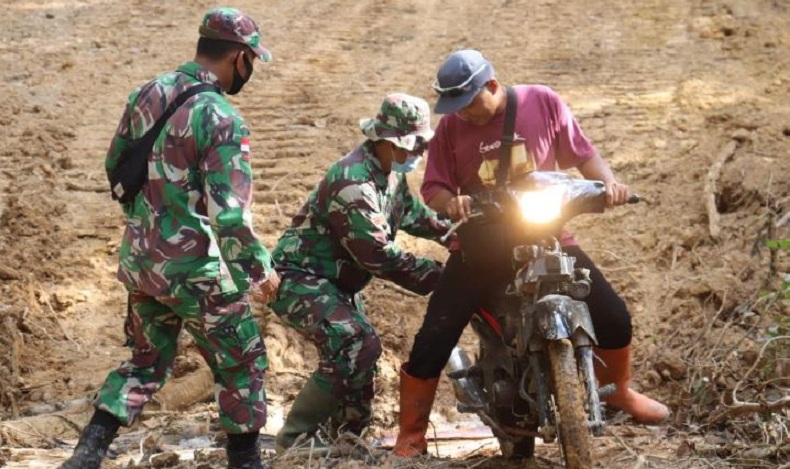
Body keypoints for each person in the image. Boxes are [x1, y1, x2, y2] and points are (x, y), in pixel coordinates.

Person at [393, 49, 670, 457]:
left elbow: (583, 154)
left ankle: (619, 392)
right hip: (479, 244)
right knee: (436, 333)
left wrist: (609, 184)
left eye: (469, 103)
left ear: (491, 85)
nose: (463, 113)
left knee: (613, 315)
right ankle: (412, 433)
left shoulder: (542, 101)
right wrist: (451, 203)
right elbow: (432, 187)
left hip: (544, 232)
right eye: (455, 107)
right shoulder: (451, 128)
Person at [59, 8, 279, 469]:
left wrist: (146, 224)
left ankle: (87, 453)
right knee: (243, 361)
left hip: (141, 262)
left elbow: (115, 167)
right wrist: (258, 272)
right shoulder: (221, 118)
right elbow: (230, 217)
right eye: (252, 61)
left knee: (145, 362)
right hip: (195, 271)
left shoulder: (148, 93)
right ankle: (246, 462)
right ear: (239, 57)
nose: (251, 71)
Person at [268, 93, 450, 453]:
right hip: (299, 278)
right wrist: (443, 277)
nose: (418, 155)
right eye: (413, 147)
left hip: (336, 283)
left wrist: (459, 235)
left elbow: (417, 218)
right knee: (355, 342)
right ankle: (294, 440)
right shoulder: (353, 183)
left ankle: (346, 441)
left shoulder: (388, 176)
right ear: (387, 141)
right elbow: (378, 256)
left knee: (361, 359)